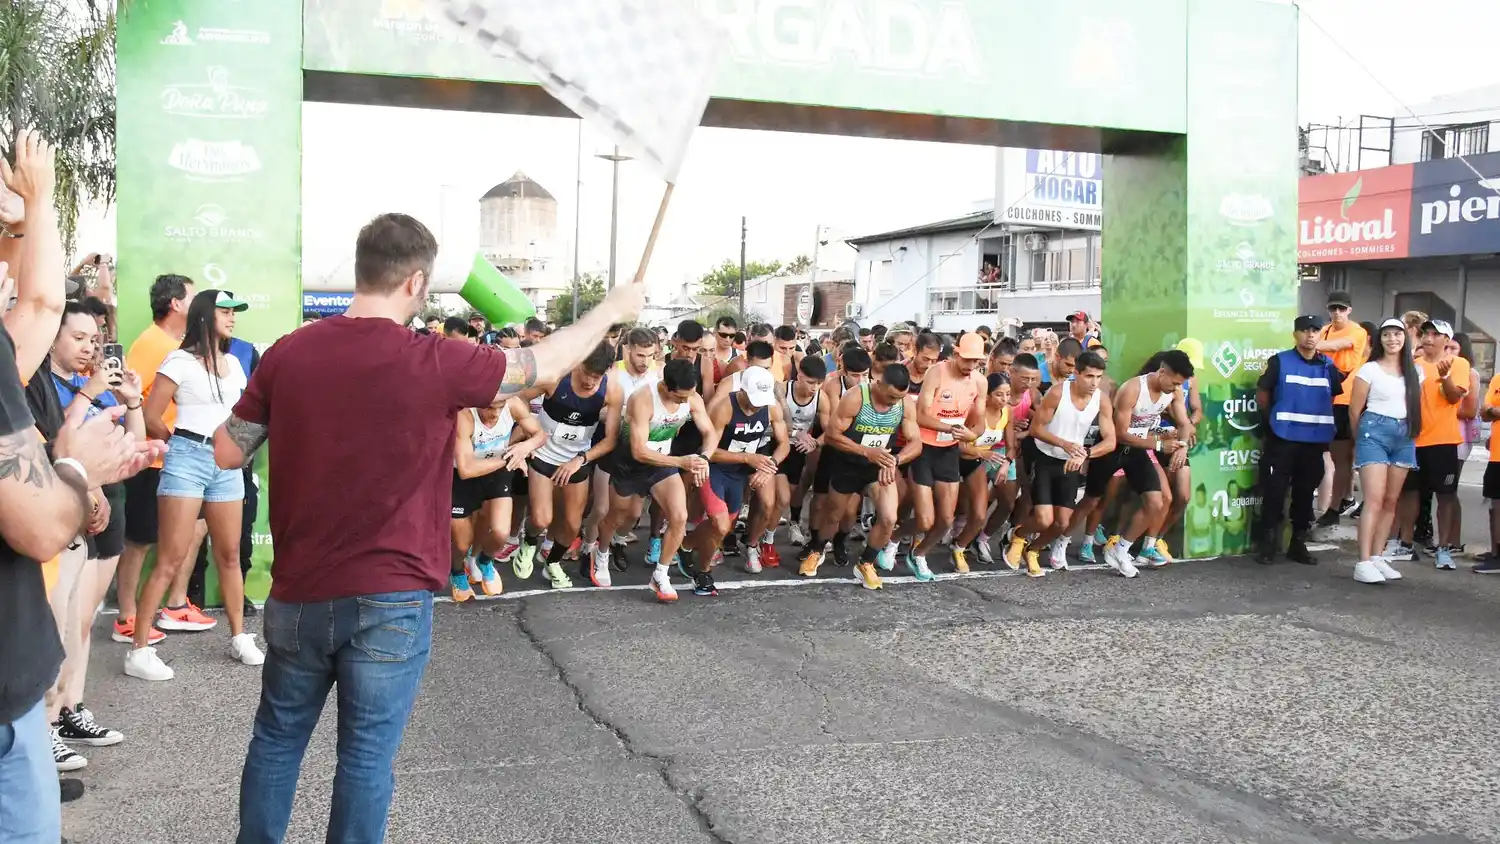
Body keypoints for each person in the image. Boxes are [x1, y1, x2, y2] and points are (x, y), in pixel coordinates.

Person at [213, 213, 643, 842]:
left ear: (362, 270)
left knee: (277, 741)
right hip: (391, 596)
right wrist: (609, 309)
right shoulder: (437, 360)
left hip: (299, 593)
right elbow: (540, 365)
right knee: (363, 759)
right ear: (416, 282)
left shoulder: (287, 354)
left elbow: (228, 450)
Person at [128, 290, 261, 681]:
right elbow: (151, 414)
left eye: (235, 311)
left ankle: (239, 636)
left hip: (226, 464)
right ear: (205, 316)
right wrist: (179, 445)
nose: (232, 318)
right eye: (225, 311)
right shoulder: (179, 360)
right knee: (170, 555)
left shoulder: (236, 363)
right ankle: (138, 650)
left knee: (230, 554)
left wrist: (240, 448)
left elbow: (242, 416)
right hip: (187, 457)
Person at [36, 302, 144, 764]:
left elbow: (134, 444)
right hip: (72, 511)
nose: (88, 346)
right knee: (60, 624)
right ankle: (45, 724)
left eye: (93, 339)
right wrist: (91, 392)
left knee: (82, 624)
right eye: (78, 337)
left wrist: (132, 400)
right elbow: (58, 445)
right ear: (52, 338)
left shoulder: (94, 386)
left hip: (109, 508)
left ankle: (71, 709)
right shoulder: (40, 384)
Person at [114, 273, 211, 646]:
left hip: (182, 461)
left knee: (194, 530)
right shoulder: (151, 343)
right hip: (151, 461)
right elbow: (128, 398)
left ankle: (175, 603)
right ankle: (125, 616)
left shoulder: (181, 344)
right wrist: (166, 440)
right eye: (193, 296)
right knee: (140, 540)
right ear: (175, 303)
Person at [593, 359, 714, 598]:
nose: (684, 402)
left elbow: (709, 432)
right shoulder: (643, 400)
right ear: (666, 387)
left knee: (680, 516)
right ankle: (602, 553)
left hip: (662, 464)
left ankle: (661, 574)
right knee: (618, 516)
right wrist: (682, 462)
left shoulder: (692, 397)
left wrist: (704, 459)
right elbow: (638, 450)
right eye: (680, 398)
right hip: (631, 464)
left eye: (688, 396)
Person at [801, 364, 923, 587]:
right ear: (879, 384)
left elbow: (916, 443)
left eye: (899, 397)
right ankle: (817, 550)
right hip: (848, 463)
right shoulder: (856, 397)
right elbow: (832, 435)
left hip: (879, 467)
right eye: (891, 396)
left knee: (889, 518)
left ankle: (866, 563)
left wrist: (895, 460)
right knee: (834, 514)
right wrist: (866, 451)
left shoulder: (904, 404)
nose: (894, 402)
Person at [517, 342, 623, 589]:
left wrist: (581, 459)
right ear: (578, 362)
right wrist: (531, 432)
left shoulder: (612, 392)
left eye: (596, 376)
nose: (589, 381)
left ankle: (552, 563)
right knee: (542, 519)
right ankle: (529, 540)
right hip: (543, 455)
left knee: (573, 525)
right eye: (586, 372)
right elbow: (520, 399)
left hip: (575, 462)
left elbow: (610, 440)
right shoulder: (555, 378)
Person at [1005, 351, 1115, 577]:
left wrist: (1085, 453)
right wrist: (1064, 444)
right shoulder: (1057, 393)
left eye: (1099, 377)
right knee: (1044, 519)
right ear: (1076, 373)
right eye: (1089, 376)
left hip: (1071, 463)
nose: (1095, 383)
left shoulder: (1101, 399)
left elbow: (1111, 441)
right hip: (1045, 458)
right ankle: (1017, 536)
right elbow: (1036, 429)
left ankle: (1033, 550)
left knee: (1062, 524)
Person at [685, 366, 788, 595]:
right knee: (720, 525)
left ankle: (686, 544)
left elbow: (784, 444)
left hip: (739, 475)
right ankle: (702, 573)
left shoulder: (770, 407)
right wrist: (747, 458)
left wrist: (769, 466)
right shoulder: (724, 408)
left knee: (723, 527)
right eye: (753, 399)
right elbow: (708, 450)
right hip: (716, 470)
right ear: (742, 390)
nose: (757, 405)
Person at [1254, 315, 1343, 566]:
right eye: (1305, 330)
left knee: (1305, 495)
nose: (1311, 335)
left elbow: (1331, 398)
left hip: (1313, 442)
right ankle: (1268, 544)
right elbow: (1263, 395)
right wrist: (1272, 423)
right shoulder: (1280, 361)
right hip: (1282, 439)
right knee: (1274, 492)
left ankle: (1298, 543)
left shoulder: (1328, 365)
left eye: (1316, 330)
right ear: (1296, 334)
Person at [1096, 351, 1195, 574]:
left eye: (1180, 384)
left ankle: (1122, 549)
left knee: (1158, 501)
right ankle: (1063, 543)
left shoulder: (1174, 391)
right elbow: (1119, 434)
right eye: (1175, 382)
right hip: (1115, 447)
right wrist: (1158, 445)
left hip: (1140, 450)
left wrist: (1183, 445)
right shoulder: (1132, 389)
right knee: (1091, 501)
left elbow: (1184, 423)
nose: (1176, 387)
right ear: (1162, 372)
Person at [906, 332, 986, 579]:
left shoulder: (980, 382)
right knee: (924, 519)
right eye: (967, 360)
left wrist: (971, 436)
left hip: (949, 451)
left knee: (945, 520)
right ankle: (893, 538)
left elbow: (979, 422)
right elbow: (920, 415)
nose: (970, 366)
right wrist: (949, 428)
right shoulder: (937, 372)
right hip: (924, 448)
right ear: (955, 354)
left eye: (976, 362)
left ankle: (918, 555)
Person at [1347, 318, 1421, 584]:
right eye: (1387, 334)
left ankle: (1378, 556)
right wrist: (1361, 441)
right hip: (1373, 433)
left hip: (1404, 435)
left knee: (1391, 501)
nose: (1392, 339)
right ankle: (1363, 561)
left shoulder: (1415, 372)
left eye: (1397, 334)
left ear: (1405, 338)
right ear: (1380, 340)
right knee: (1374, 499)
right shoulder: (1369, 370)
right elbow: (1354, 411)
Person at [1392, 319, 1469, 569]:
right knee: (1410, 493)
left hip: (1443, 441)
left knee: (1445, 495)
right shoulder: (1413, 366)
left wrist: (1444, 376)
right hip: (1413, 440)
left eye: (1436, 334)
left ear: (1447, 341)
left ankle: (1444, 548)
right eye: (1426, 333)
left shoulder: (1459, 363)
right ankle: (1405, 544)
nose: (1428, 338)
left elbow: (1454, 397)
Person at [449, 396, 543, 600]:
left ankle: (485, 560)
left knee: (501, 533)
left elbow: (540, 433)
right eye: (490, 408)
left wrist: (523, 448)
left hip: (497, 474)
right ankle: (457, 572)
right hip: (464, 478)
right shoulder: (465, 417)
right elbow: (466, 470)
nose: (495, 414)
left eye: (500, 408)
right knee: (461, 543)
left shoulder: (514, 404)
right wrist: (508, 458)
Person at [1315, 290, 1368, 529]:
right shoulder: (1324, 329)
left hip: (1345, 399)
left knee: (1342, 457)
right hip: (1321, 397)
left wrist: (1314, 343)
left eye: (1341, 309)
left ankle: (1337, 505)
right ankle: (1331, 504)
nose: (1337, 313)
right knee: (1324, 456)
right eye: (1333, 308)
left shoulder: (1357, 331)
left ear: (1349, 310)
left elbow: (1341, 344)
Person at [951, 373, 1013, 570]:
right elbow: (956, 445)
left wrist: (1006, 463)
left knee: (978, 515)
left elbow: (1011, 446)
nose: (1004, 400)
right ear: (987, 396)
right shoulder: (975, 413)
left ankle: (959, 547)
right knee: (944, 511)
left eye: (1008, 394)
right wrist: (981, 452)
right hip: (952, 461)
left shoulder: (1007, 412)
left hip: (975, 463)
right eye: (999, 395)